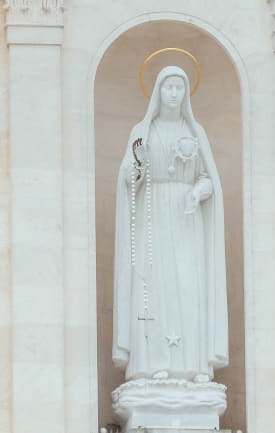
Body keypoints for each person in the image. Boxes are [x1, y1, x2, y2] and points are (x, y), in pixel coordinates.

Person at [113, 66, 228, 383]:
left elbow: (208, 178)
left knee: (190, 287)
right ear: (158, 92)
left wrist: (198, 192)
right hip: (153, 214)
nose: (175, 93)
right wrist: (134, 172)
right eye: (169, 87)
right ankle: (153, 363)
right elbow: (130, 176)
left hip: (187, 219)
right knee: (156, 286)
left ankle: (194, 365)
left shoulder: (195, 132)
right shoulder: (143, 131)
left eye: (180, 87)